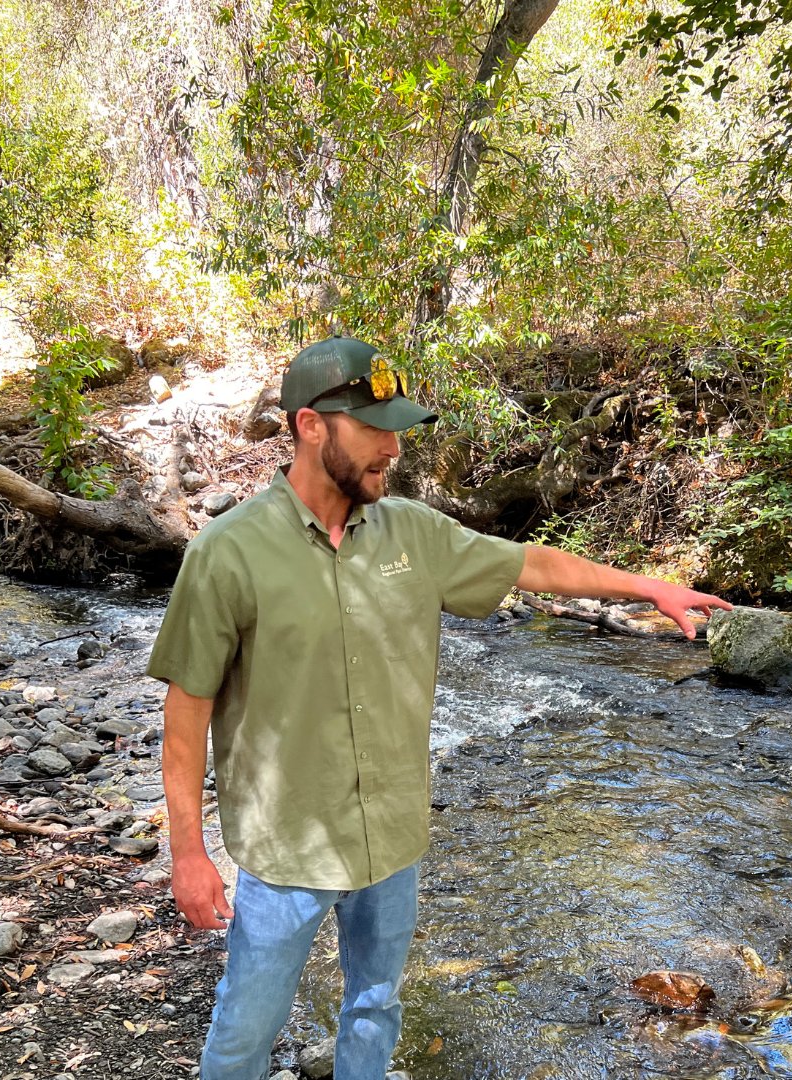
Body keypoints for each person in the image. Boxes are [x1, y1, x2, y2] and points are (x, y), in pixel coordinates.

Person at [147, 336, 731, 1080]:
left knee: (376, 1006)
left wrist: (650, 587)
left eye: (397, 427)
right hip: (285, 849)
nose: (393, 447)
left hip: (391, 837)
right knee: (245, 1030)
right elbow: (187, 709)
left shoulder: (415, 535)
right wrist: (190, 856)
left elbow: (533, 565)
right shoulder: (227, 554)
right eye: (375, 428)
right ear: (310, 426)